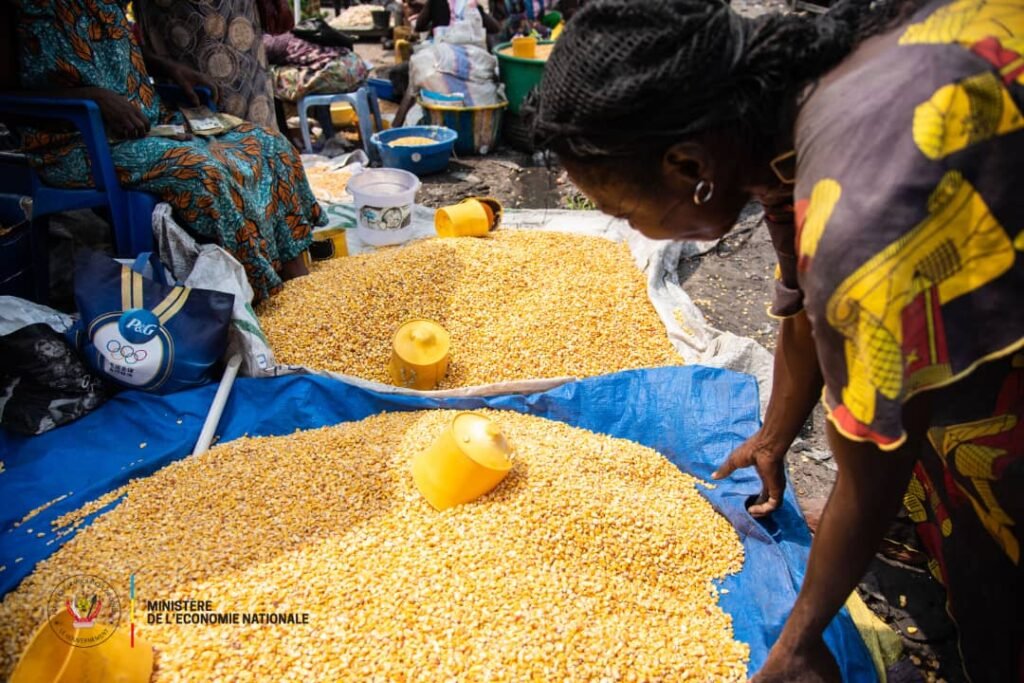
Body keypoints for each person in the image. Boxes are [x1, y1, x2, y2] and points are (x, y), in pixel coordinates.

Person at [529, 0, 1023, 680]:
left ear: (687, 166)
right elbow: (803, 310)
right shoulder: (773, 118)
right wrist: (773, 436)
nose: (634, 230)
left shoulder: (856, 219)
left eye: (623, 211)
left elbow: (875, 462)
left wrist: (799, 641)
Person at [2, 0, 326, 302]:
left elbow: (119, 46)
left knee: (269, 144)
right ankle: (263, 295)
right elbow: (6, 93)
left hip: (150, 122)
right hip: (78, 142)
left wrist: (170, 68)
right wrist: (93, 98)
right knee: (202, 170)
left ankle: (296, 276)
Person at [134, 0, 280, 130]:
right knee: (207, 123)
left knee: (259, 125)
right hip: (183, 35)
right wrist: (166, 67)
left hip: (241, 25)